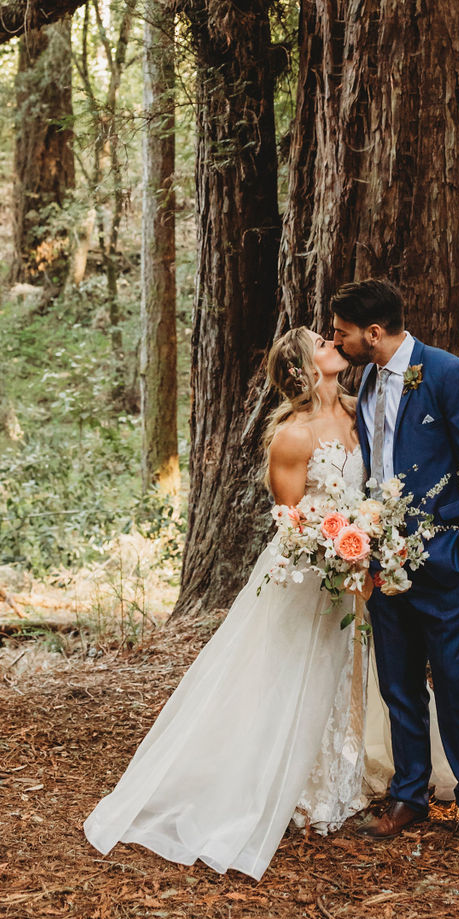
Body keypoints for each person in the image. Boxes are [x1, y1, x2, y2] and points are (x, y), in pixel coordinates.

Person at [83, 327, 370, 880]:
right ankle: (287, 782)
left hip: (358, 569)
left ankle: (350, 771)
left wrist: (368, 542)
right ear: (304, 368)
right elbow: (291, 523)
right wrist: (335, 549)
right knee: (291, 672)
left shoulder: (363, 412)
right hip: (310, 574)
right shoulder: (292, 436)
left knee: (353, 666)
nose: (332, 343)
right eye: (320, 342)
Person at [330, 277, 459, 855]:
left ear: (373, 333)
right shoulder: (369, 381)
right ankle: (410, 794)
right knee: (399, 683)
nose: (340, 342)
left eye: (344, 333)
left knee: (456, 682)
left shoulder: (449, 374)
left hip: (446, 558)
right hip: (383, 560)